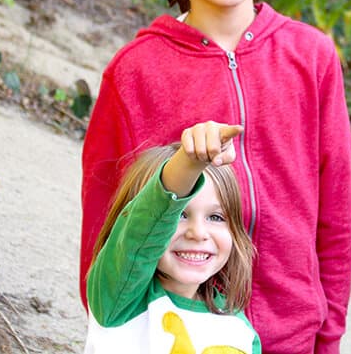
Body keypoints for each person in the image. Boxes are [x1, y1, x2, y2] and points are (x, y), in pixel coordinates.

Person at [79, 0, 351, 353]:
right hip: (179, 336)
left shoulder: (311, 56)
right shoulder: (135, 73)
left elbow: (335, 213)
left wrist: (326, 336)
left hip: (291, 334)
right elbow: (102, 229)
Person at [84, 121, 261, 353]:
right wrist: (188, 163)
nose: (197, 233)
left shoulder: (241, 334)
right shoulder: (118, 298)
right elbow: (143, 229)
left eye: (216, 217)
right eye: (180, 215)